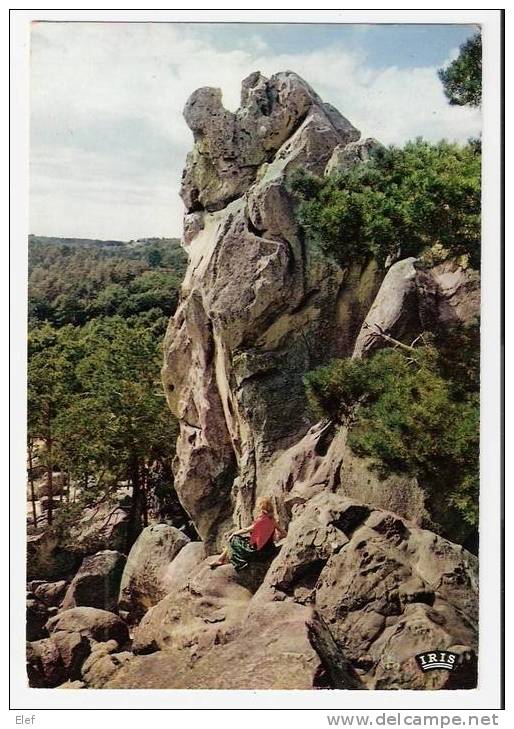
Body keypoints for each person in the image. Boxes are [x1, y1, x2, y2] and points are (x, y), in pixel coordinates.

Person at [210, 496, 285, 571]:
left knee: (233, 539)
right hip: (269, 551)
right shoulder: (273, 521)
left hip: (256, 553)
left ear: (262, 510)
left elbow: (246, 529)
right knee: (244, 540)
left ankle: (239, 563)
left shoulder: (260, 521)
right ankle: (221, 558)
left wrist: (234, 534)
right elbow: (283, 533)